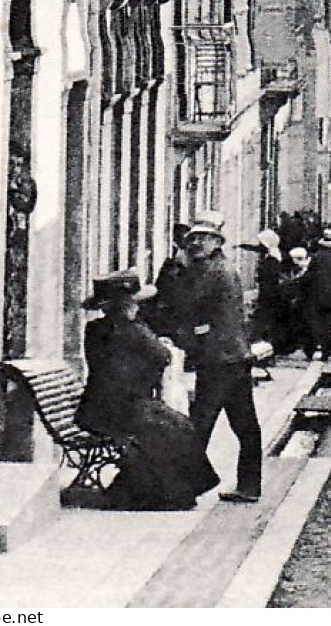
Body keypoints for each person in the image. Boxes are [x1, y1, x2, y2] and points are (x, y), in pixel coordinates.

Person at [76, 272, 220, 511]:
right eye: (132, 304)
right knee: (165, 428)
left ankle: (172, 490)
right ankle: (166, 493)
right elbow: (161, 356)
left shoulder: (101, 329)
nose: (137, 308)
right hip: (111, 408)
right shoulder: (126, 330)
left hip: (112, 403)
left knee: (178, 423)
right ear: (121, 306)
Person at [179, 211, 262, 503]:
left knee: (200, 423)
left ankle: (184, 489)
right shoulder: (220, 267)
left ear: (217, 241)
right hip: (235, 356)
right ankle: (250, 486)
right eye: (193, 238)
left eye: (203, 238)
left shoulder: (211, 272)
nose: (196, 243)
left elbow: (188, 305)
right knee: (245, 425)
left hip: (218, 359)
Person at [304, 227, 331, 360]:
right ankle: (326, 352)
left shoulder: (316, 258)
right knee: (329, 325)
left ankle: (312, 350)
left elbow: (309, 276)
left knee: (316, 323)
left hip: (317, 296)